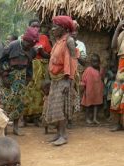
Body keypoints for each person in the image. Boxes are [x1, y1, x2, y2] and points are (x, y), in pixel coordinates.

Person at [0, 27, 38, 135]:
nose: (30, 47)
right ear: (25, 40)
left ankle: (16, 127)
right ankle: (4, 128)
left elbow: (30, 65)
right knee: (6, 102)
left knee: (19, 103)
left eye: (32, 45)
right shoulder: (12, 46)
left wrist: (28, 78)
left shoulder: (32, 50)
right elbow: (1, 60)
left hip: (22, 78)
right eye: (29, 44)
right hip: (9, 76)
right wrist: (4, 76)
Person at [45, 16, 77, 146]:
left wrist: (68, 80)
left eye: (55, 27)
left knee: (60, 108)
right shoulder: (59, 41)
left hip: (63, 79)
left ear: (63, 28)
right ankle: (58, 134)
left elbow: (72, 61)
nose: (53, 29)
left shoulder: (69, 41)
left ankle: (63, 135)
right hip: (55, 79)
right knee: (54, 106)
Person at [23, 19, 52, 126]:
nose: (36, 28)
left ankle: (36, 117)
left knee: (39, 92)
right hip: (29, 67)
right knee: (27, 91)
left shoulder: (44, 38)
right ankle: (25, 117)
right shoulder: (24, 38)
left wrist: (41, 52)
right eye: (33, 26)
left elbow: (50, 56)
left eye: (37, 26)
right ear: (28, 27)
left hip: (41, 68)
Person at [81, 54, 104, 124]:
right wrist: (83, 87)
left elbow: (102, 77)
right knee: (88, 105)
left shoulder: (100, 69)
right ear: (91, 62)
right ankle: (87, 118)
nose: (95, 63)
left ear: (99, 62)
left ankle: (94, 118)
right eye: (94, 61)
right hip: (89, 91)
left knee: (96, 105)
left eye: (97, 62)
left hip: (97, 91)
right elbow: (84, 79)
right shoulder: (88, 70)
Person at [110, 20, 124, 131]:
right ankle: (117, 124)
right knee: (117, 97)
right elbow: (113, 46)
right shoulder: (122, 35)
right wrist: (117, 29)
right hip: (121, 71)